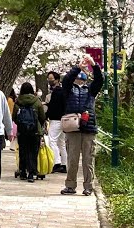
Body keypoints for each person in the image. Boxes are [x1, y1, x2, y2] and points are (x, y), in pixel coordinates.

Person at [60, 59, 105, 195]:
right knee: (72, 158)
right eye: (78, 78)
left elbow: (99, 80)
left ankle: (88, 186)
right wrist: (77, 68)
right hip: (72, 128)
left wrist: (93, 65)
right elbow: (66, 80)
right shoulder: (69, 90)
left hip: (89, 128)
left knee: (88, 159)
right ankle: (70, 185)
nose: (79, 80)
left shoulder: (91, 91)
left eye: (82, 79)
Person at [14, 82, 47, 181]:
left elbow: (14, 117)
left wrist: (21, 124)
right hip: (35, 131)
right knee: (33, 151)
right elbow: (42, 117)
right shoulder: (37, 101)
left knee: (23, 150)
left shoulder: (18, 101)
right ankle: (32, 173)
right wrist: (39, 125)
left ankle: (23, 171)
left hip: (22, 131)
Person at [44, 72, 67, 173]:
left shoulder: (56, 92)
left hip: (56, 120)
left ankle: (56, 163)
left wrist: (45, 116)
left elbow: (53, 107)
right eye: (48, 79)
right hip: (64, 120)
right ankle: (64, 164)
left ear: (57, 80)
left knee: (52, 140)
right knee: (61, 143)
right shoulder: (63, 91)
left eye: (51, 79)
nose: (49, 81)